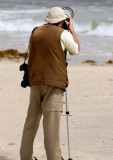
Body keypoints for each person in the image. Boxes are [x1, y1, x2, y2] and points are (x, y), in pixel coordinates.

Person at [20, 6, 80, 160]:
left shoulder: (35, 32)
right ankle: (54, 158)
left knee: (31, 122)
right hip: (54, 83)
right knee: (51, 125)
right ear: (62, 21)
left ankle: (25, 157)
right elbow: (75, 50)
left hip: (35, 81)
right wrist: (71, 29)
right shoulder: (64, 34)